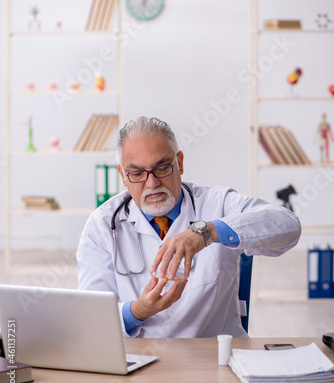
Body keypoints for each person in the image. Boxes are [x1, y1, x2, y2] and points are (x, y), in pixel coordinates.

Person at [77, 117, 301, 338]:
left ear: (180, 163)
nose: (152, 183)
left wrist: (208, 232)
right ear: (123, 176)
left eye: (162, 168)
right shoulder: (103, 225)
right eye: (137, 174)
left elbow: (288, 225)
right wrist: (138, 311)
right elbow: (91, 317)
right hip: (138, 361)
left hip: (214, 359)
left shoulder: (216, 203)